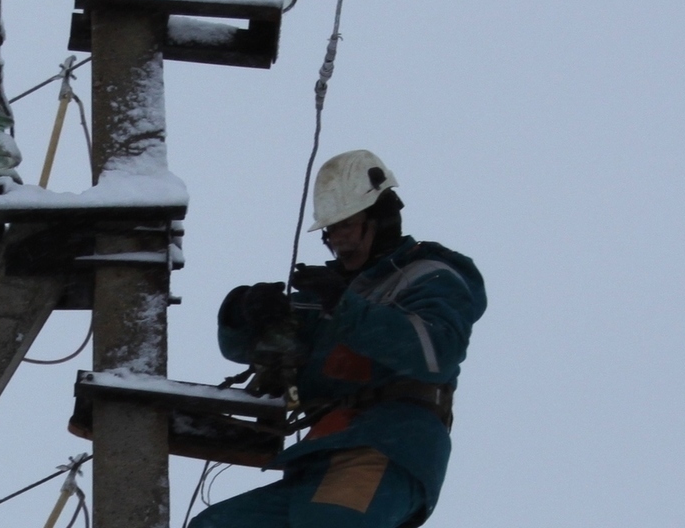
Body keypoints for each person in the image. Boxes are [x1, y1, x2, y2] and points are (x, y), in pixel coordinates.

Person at [192, 150, 486, 528]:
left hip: (386, 446)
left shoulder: (427, 274)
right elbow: (241, 348)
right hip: (322, 455)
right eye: (331, 231)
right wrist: (245, 310)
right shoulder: (328, 294)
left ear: (380, 218)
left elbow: (434, 353)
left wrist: (343, 305)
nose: (338, 241)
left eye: (346, 226)